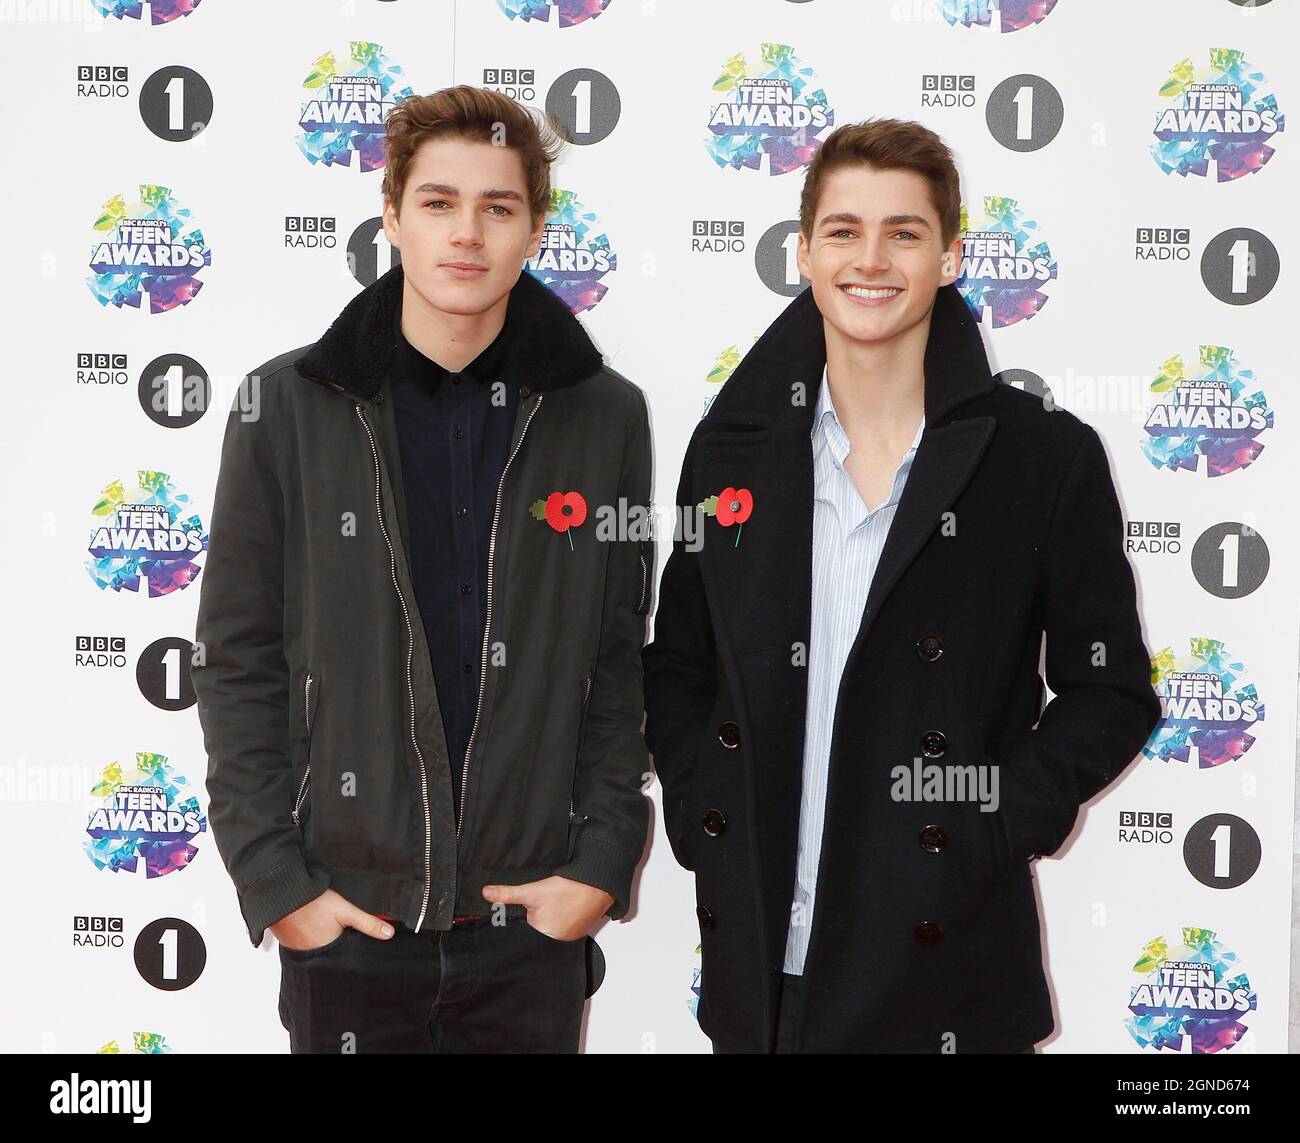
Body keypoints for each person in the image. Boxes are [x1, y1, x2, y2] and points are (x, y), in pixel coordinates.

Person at [641, 118, 1161, 1053]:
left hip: (947, 971)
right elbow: (678, 661)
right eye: (843, 230)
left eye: (904, 232)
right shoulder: (730, 455)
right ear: (803, 253)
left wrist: (992, 819)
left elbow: (1110, 690)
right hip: (763, 971)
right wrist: (706, 810)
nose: (870, 259)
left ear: (951, 256)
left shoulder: (1042, 459)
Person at [192, 85, 653, 1053]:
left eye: (498, 207)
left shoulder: (602, 415)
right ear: (391, 213)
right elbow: (236, 658)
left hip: (525, 929)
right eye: (439, 203)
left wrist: (602, 857)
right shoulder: (282, 408)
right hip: (348, 926)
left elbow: (616, 659)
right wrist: (278, 884)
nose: (467, 234)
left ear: (536, 228)